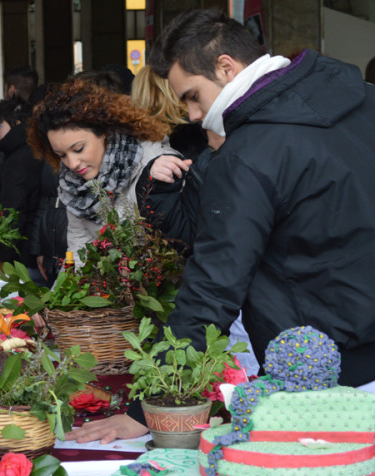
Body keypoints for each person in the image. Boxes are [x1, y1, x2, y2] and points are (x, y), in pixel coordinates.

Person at [66, 8, 375, 444]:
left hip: (320, 375)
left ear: (226, 67)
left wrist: (149, 406)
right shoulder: (364, 97)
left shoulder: (249, 153)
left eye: (193, 96)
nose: (192, 114)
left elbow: (213, 284)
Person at [28, 77, 191, 261]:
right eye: (61, 155)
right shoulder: (71, 184)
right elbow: (80, 250)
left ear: (105, 132)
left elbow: (181, 244)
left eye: (78, 149)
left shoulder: (154, 164)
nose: (72, 164)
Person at [0, 99, 57, 283]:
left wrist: (4, 260)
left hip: (24, 256)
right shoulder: (31, 150)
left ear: (17, 124)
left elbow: (14, 212)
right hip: (38, 248)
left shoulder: (18, 159)